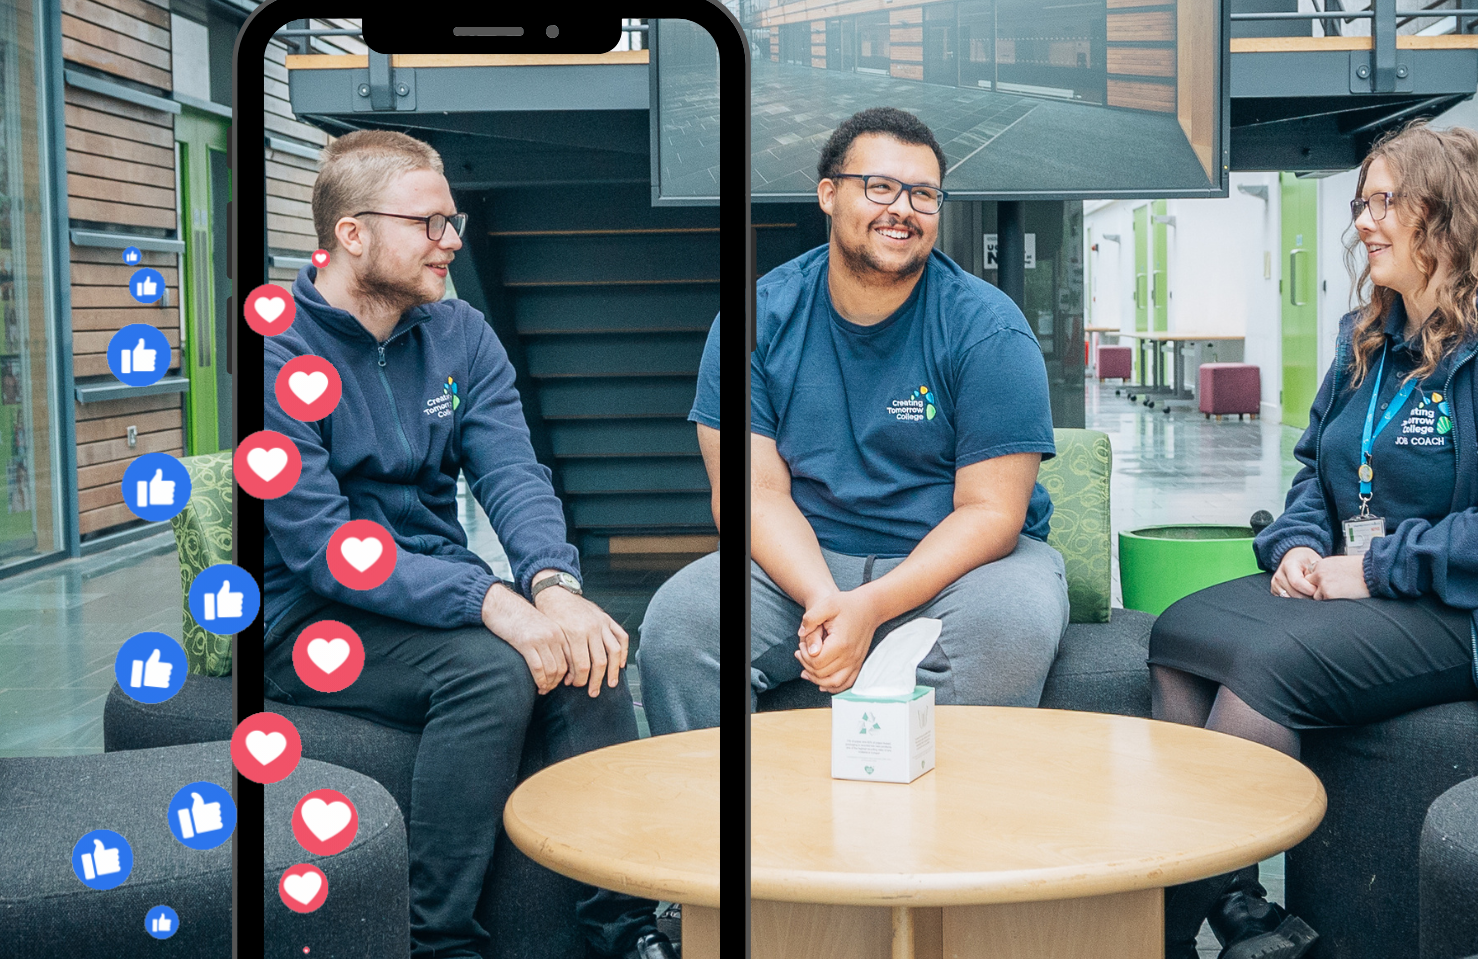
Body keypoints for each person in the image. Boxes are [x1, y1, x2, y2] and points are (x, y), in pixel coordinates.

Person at [1148, 121, 1478, 959]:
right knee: (1179, 635)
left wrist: (1377, 568)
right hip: (1390, 583)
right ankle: (1239, 910)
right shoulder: (1369, 335)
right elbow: (1318, 468)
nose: (1364, 222)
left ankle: (1145, 933)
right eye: (1362, 202)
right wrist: (1300, 548)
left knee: (1267, 668)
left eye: (1387, 201)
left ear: (1448, 217)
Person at [260, 129, 674, 959]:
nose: (452, 241)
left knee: (588, 658)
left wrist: (553, 585)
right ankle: (436, 940)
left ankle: (625, 930)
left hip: (434, 593)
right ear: (353, 233)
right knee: (490, 672)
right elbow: (323, 546)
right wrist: (491, 602)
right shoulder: (276, 350)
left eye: (453, 221)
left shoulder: (460, 335)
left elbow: (514, 473)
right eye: (429, 224)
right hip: (307, 616)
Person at [645, 106, 1068, 722]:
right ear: (828, 195)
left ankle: (936, 818)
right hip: (806, 559)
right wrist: (826, 599)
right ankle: (729, 818)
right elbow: (752, 495)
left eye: (924, 194)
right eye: (880, 187)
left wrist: (868, 606)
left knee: (1010, 626)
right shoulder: (754, 319)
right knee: (682, 625)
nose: (903, 208)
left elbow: (990, 513)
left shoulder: (989, 330)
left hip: (960, 566)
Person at [638, 313, 723, 735]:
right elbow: (755, 498)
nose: (452, 241)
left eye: (459, 236)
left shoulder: (959, 311)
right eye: (432, 236)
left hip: (932, 564)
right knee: (674, 630)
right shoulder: (756, 317)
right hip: (789, 561)